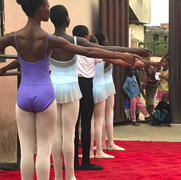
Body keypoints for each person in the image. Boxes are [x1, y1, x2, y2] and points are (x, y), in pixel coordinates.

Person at [0, 1, 140, 179]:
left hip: (24, 94)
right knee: (43, 149)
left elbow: (21, 60)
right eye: (47, 6)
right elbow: (88, 52)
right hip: (46, 93)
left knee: (27, 150)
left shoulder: (13, 36)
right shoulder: (50, 40)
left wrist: (4, 69)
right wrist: (120, 54)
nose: (49, 11)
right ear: (40, 9)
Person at [72, 25, 149, 170]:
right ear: (87, 38)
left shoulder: (71, 50)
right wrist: (138, 61)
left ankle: (78, 158)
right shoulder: (93, 52)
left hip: (76, 86)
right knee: (95, 120)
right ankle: (97, 151)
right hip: (93, 86)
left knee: (77, 125)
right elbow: (115, 58)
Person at [94, 31, 125, 152]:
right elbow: (116, 61)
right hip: (107, 84)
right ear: (102, 42)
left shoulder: (95, 54)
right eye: (106, 39)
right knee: (107, 115)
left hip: (99, 84)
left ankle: (101, 143)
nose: (108, 40)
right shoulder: (105, 54)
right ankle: (110, 142)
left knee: (99, 117)